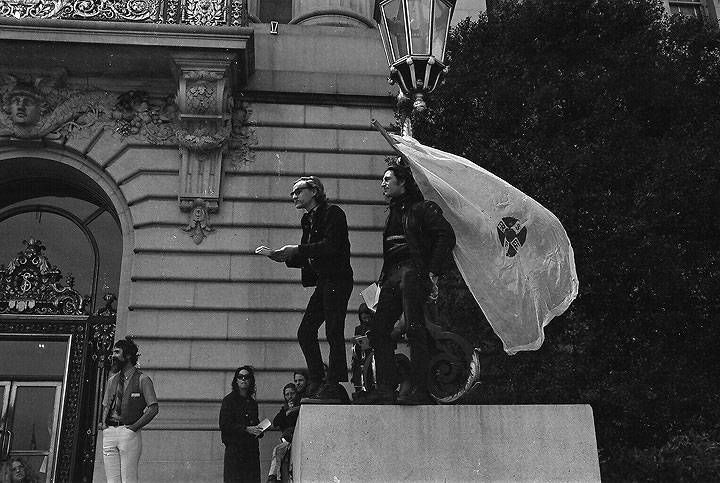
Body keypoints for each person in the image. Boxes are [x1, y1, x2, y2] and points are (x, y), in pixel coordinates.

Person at [362, 162, 456, 405]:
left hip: (412, 274)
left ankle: (421, 390)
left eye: (387, 179)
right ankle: (385, 388)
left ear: (402, 182)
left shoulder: (420, 209)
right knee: (379, 330)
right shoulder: (394, 212)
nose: (382, 184)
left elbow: (446, 234)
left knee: (415, 329)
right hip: (392, 277)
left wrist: (432, 272)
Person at [264, 176, 353, 401]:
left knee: (333, 330)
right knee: (306, 331)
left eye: (298, 191)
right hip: (325, 281)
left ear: (314, 191)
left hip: (338, 279)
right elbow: (308, 253)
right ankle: (317, 381)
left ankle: (333, 382)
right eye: (292, 193)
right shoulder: (308, 220)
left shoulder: (333, 213)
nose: (294, 196)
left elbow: (330, 246)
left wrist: (297, 250)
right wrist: (284, 257)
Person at [99, 337, 159, 483]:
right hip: (110, 432)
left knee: (128, 479)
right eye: (113, 352)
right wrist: (104, 425)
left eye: (117, 352)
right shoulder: (113, 380)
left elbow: (153, 408)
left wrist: (133, 428)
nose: (113, 356)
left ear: (128, 356)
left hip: (128, 432)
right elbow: (106, 405)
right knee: (112, 481)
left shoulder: (142, 379)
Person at [219, 366, 264, 483]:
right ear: (236, 380)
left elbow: (254, 422)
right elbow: (224, 425)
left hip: (251, 453)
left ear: (251, 381)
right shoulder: (228, 400)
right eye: (240, 377)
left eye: (247, 377)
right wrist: (246, 429)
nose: (243, 379)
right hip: (235, 452)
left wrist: (259, 430)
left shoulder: (252, 403)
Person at [267, 383, 300, 482]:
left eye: (292, 394)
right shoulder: (284, 408)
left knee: (278, 450)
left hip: (295, 438)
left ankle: (273, 477)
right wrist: (287, 412)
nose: (290, 397)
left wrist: (292, 410)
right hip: (287, 440)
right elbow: (275, 422)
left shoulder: (300, 405)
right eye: (287, 394)